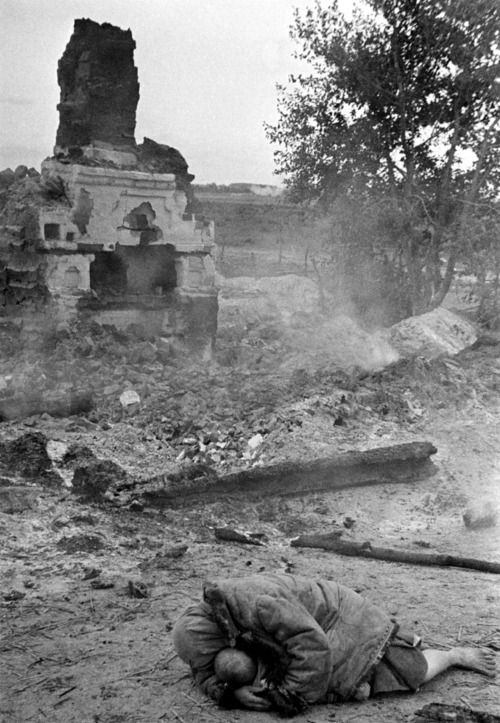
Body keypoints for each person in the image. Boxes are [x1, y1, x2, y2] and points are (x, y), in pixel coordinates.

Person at [172, 573, 496, 716]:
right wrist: (230, 693)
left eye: (211, 654)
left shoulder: (257, 606)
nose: (204, 663)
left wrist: (288, 696)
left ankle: (454, 656)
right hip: (299, 639)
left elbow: (313, 646)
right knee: (234, 668)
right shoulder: (211, 626)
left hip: (343, 623)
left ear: (220, 634)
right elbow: (203, 672)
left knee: (410, 672)